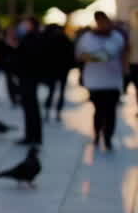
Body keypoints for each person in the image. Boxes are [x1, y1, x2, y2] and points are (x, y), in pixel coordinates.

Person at [76, 11, 126, 151]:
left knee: (110, 112)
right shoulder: (88, 37)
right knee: (99, 110)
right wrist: (92, 57)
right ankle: (97, 134)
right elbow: (80, 55)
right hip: (95, 82)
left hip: (112, 81)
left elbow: (116, 54)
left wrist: (91, 56)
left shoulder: (116, 37)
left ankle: (108, 137)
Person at [12, 16, 47, 146]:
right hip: (28, 75)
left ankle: (32, 136)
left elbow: (26, 56)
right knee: (30, 106)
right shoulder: (32, 38)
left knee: (30, 106)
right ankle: (32, 136)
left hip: (28, 76)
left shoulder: (32, 38)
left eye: (26, 23)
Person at [41, 23, 74, 123]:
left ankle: (49, 112)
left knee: (52, 91)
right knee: (59, 91)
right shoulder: (65, 39)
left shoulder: (49, 39)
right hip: (61, 69)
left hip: (54, 70)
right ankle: (56, 112)